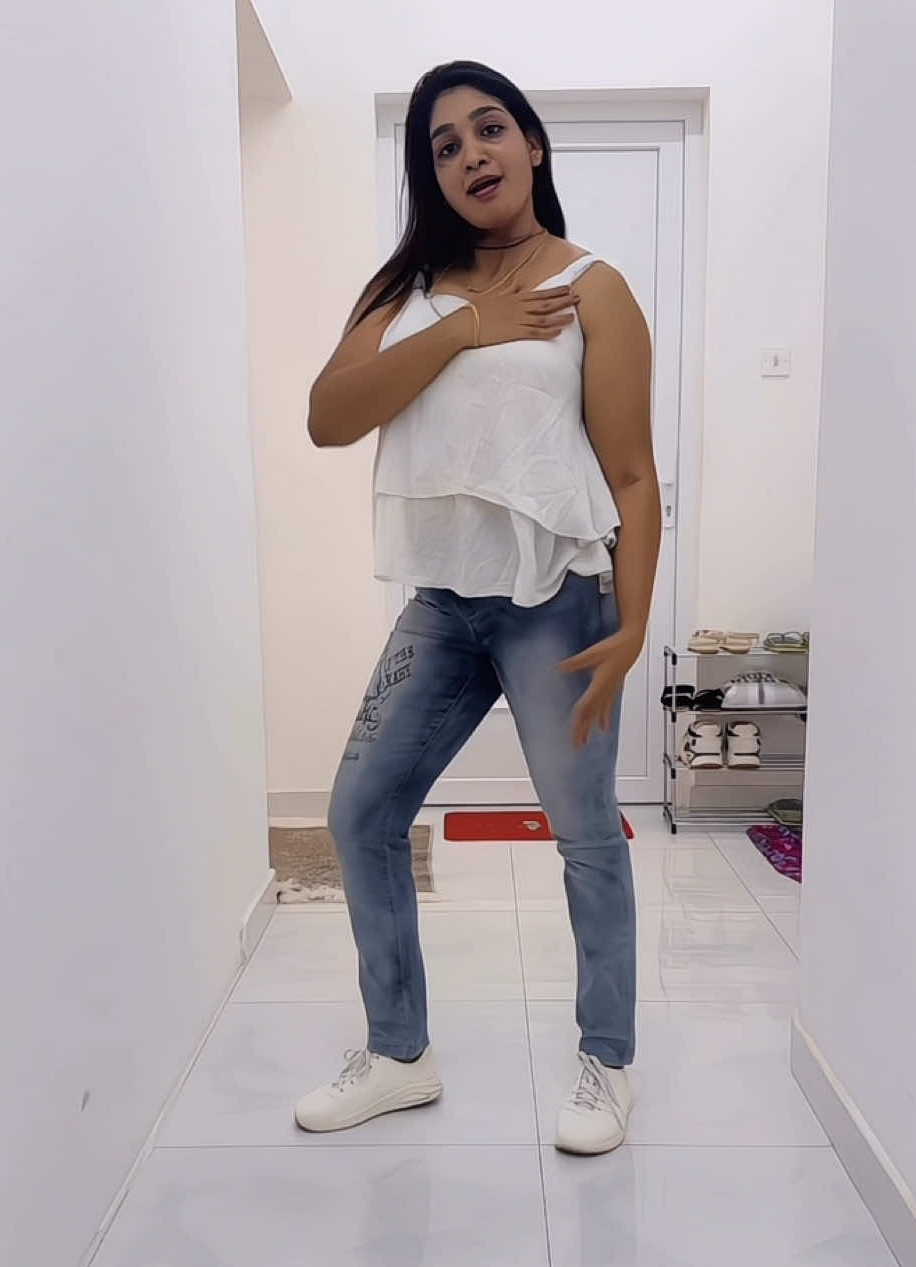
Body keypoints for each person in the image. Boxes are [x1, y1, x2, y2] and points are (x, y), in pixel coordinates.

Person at [294, 59, 661, 1155]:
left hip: (559, 602)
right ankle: (399, 1054)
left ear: (532, 144)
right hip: (443, 605)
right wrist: (464, 327)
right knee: (360, 814)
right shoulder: (404, 291)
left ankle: (608, 1061)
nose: (470, 156)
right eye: (444, 146)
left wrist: (634, 628)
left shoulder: (593, 287)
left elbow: (631, 475)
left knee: (585, 834)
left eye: (488, 129)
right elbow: (328, 417)